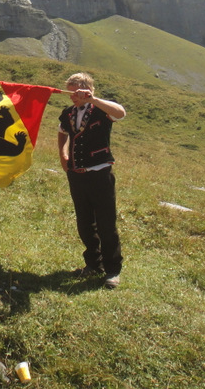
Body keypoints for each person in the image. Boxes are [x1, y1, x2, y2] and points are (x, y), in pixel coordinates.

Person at [58, 72, 126, 289]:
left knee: (106, 223)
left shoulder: (101, 110)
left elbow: (121, 113)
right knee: (84, 223)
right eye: (70, 91)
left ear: (87, 88)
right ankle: (93, 264)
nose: (72, 96)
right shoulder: (68, 113)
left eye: (75, 91)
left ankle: (112, 270)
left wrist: (93, 99)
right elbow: (62, 133)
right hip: (77, 175)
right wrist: (63, 154)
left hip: (100, 173)